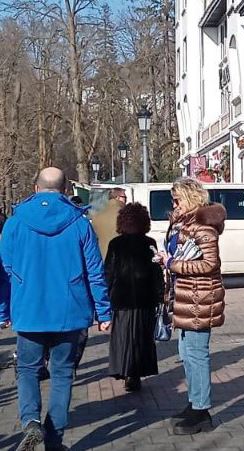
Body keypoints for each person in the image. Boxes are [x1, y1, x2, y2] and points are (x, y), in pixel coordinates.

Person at [0, 167, 112, 451]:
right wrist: (103, 312)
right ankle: (54, 439)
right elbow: (95, 272)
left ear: (35, 188)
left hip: (28, 310)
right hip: (69, 311)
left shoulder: (14, 223)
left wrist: (3, 311)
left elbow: (5, 272)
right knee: (62, 375)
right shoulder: (80, 223)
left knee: (27, 370)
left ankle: (30, 421)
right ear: (65, 191)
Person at [155, 178, 227, 436]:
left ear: (190, 198)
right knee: (186, 352)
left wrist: (172, 264)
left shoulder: (203, 227)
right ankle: (194, 402)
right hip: (185, 296)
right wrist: (166, 260)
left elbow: (210, 264)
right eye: (173, 200)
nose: (174, 204)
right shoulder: (183, 224)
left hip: (200, 298)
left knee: (196, 353)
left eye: (177, 200)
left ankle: (201, 410)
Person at [105, 203, 163, 392]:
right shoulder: (149, 243)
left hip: (121, 297)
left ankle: (124, 370)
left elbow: (109, 272)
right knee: (142, 337)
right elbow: (156, 272)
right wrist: (160, 294)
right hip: (145, 297)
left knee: (122, 336)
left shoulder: (116, 244)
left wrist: (105, 296)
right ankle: (136, 373)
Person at [91, 188, 127, 258]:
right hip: (122, 258)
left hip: (104, 257)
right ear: (117, 197)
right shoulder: (126, 215)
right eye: (124, 197)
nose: (126, 200)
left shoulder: (97, 216)